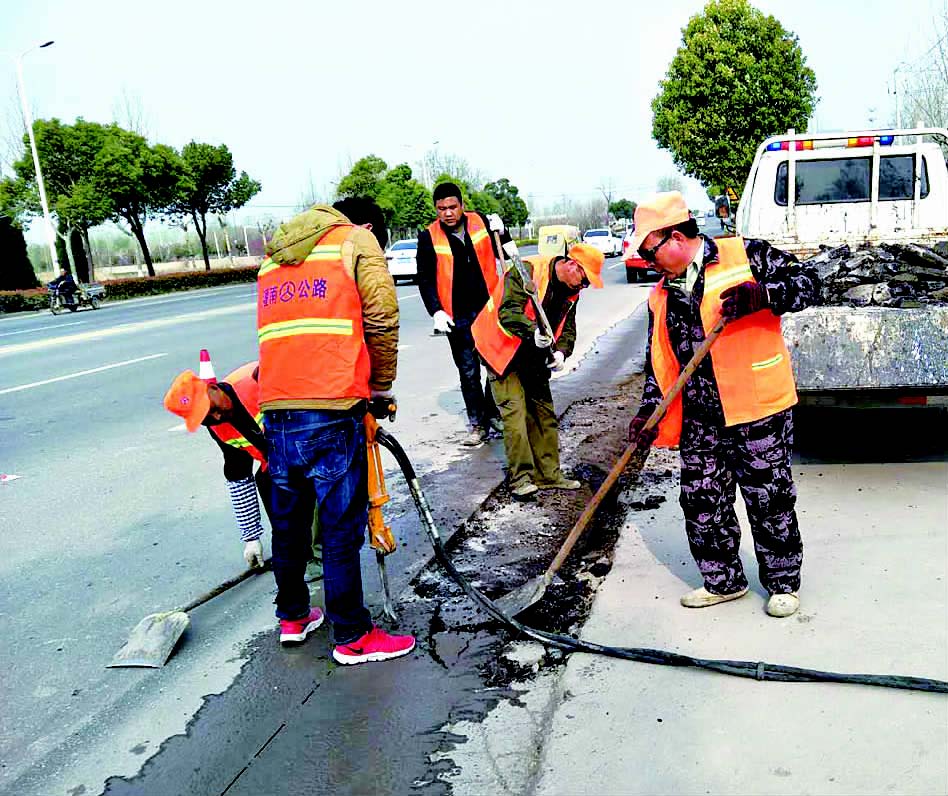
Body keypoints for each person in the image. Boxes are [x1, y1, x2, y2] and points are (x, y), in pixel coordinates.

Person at [627, 191, 819, 618]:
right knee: (701, 500)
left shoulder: (745, 255)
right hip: (700, 417)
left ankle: (783, 582)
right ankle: (723, 581)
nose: (647, 261)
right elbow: (660, 359)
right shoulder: (662, 294)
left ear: (674, 237)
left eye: (648, 250)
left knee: (769, 499)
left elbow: (810, 283)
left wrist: (764, 295)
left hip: (757, 410)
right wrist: (648, 411)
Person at [256, 197, 415, 663]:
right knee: (340, 527)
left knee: (288, 525)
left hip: (278, 406)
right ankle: (352, 635)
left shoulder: (272, 257)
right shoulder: (354, 242)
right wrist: (381, 387)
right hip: (332, 403)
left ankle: (293, 616)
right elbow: (383, 319)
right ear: (364, 224)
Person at [162, 359, 323, 581]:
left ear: (214, 387)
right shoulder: (218, 428)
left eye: (213, 409)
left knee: (310, 486)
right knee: (267, 483)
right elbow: (239, 477)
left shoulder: (256, 383)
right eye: (206, 418)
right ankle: (298, 554)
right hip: (278, 461)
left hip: (312, 443)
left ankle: (320, 555)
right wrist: (251, 538)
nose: (217, 417)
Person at [473, 243, 604, 500]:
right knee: (516, 417)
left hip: (533, 356)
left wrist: (561, 353)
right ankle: (520, 479)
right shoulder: (528, 271)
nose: (584, 286)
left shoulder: (571, 291)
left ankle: (548, 475)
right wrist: (532, 331)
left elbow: (568, 329)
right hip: (501, 351)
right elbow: (508, 312)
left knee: (543, 415)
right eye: (584, 280)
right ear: (571, 265)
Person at [416, 182, 510, 447]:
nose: (447, 213)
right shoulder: (428, 236)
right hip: (455, 315)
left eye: (452, 207)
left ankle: (493, 414)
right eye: (441, 208)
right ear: (436, 209)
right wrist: (435, 311)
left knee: (494, 365)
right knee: (468, 372)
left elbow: (504, 245)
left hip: (487, 310)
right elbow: (425, 279)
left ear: (462, 206)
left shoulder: (481, 222)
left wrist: (504, 231)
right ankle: (477, 423)